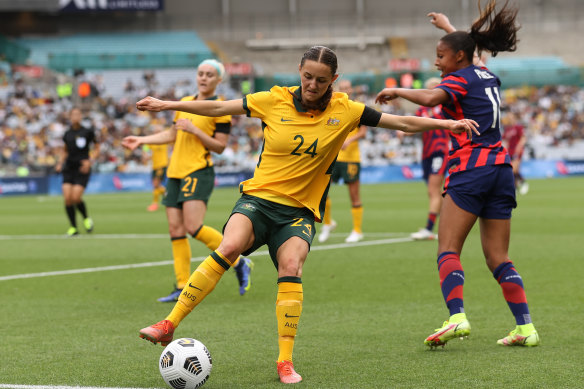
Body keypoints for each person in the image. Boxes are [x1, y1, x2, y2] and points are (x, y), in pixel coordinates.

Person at [134, 46, 478, 384]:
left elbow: (401, 122)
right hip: (258, 200)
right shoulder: (273, 99)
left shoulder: (346, 110)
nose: (313, 85)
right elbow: (219, 106)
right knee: (229, 247)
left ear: (334, 79)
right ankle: (169, 324)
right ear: (299, 72)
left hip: (299, 212)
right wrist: (168, 104)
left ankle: (285, 361)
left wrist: (448, 125)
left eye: (322, 80)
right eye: (308, 77)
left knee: (291, 266)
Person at [376, 1, 540, 348]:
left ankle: (456, 318)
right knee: (498, 257)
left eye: (440, 55)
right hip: (501, 170)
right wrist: (449, 28)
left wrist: (398, 90)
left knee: (447, 248)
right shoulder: (484, 73)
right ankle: (525, 327)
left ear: (459, 58)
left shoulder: (459, 79)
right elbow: (466, 52)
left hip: (471, 168)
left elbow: (432, 96)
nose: (437, 61)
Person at [122, 59, 253, 302]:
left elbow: (220, 147)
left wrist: (195, 131)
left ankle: (238, 260)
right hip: (174, 172)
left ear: (218, 80)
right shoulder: (185, 103)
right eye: (200, 73)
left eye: (209, 74)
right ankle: (182, 284)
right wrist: (142, 140)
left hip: (198, 170)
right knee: (175, 229)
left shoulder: (221, 107)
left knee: (194, 226)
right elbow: (172, 134)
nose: (203, 78)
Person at [318, 79, 368, 243]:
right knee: (321, 191)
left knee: (354, 195)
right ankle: (328, 223)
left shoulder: (357, 109)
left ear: (351, 90)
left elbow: (363, 132)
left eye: (348, 88)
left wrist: (349, 141)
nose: (345, 91)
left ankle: (357, 230)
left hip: (351, 159)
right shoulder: (332, 108)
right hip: (333, 157)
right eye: (342, 88)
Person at [410, 77, 450, 241]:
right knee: (435, 191)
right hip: (426, 153)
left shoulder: (445, 108)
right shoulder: (421, 110)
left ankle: (429, 229)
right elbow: (413, 125)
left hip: (440, 151)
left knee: (433, 190)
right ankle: (447, 225)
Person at [55, 107, 97, 237]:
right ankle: (73, 228)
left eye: (78, 114)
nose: (75, 116)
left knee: (76, 197)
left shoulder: (87, 132)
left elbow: (98, 147)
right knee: (67, 199)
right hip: (69, 168)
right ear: (70, 117)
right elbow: (65, 150)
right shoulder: (67, 133)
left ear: (81, 116)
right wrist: (60, 163)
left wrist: (90, 161)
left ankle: (86, 218)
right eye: (73, 114)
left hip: (82, 168)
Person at [502, 111, 529, 195]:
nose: (509, 118)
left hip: (517, 151)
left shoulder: (518, 127)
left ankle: (524, 183)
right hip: (509, 151)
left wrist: (519, 147)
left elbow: (523, 138)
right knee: (512, 170)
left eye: (511, 117)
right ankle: (515, 188)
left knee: (513, 169)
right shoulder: (507, 129)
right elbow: (505, 140)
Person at [145, 123, 169, 212]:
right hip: (154, 166)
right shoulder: (153, 141)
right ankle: (168, 196)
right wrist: (146, 154)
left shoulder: (165, 140)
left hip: (162, 165)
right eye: (155, 130)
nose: (156, 132)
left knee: (156, 185)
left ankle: (155, 204)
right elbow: (145, 147)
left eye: (158, 130)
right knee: (156, 185)